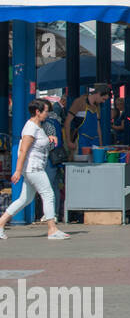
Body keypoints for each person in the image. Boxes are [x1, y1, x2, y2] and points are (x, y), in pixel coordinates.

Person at [0, 99, 71, 240]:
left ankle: (0, 223)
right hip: (34, 168)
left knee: (25, 199)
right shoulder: (31, 128)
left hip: (33, 168)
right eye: (45, 111)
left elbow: (37, 143)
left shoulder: (37, 127)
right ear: (37, 112)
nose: (48, 114)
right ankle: (52, 229)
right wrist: (18, 171)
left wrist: (49, 138)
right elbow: (23, 150)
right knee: (48, 195)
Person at [64, 83, 110, 156]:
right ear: (98, 93)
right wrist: (69, 141)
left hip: (95, 141)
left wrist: (100, 145)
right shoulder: (79, 101)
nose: (103, 101)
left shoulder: (97, 106)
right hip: (82, 140)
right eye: (103, 99)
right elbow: (67, 121)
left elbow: (98, 126)